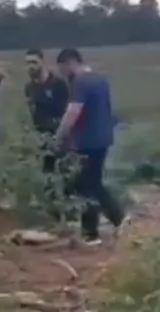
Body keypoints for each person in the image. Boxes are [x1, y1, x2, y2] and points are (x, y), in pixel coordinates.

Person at [53, 47, 125, 246]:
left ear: (70, 63)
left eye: (62, 69)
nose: (63, 74)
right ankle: (93, 229)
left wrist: (59, 137)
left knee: (88, 185)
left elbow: (72, 112)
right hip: (103, 138)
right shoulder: (100, 80)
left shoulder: (80, 82)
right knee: (90, 183)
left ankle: (106, 225)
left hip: (87, 141)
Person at [23, 48, 70, 175]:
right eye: (27, 63)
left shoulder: (58, 84)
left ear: (42, 62)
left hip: (59, 137)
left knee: (65, 174)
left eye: (34, 62)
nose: (30, 66)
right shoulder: (29, 88)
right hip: (41, 139)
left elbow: (67, 111)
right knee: (45, 175)